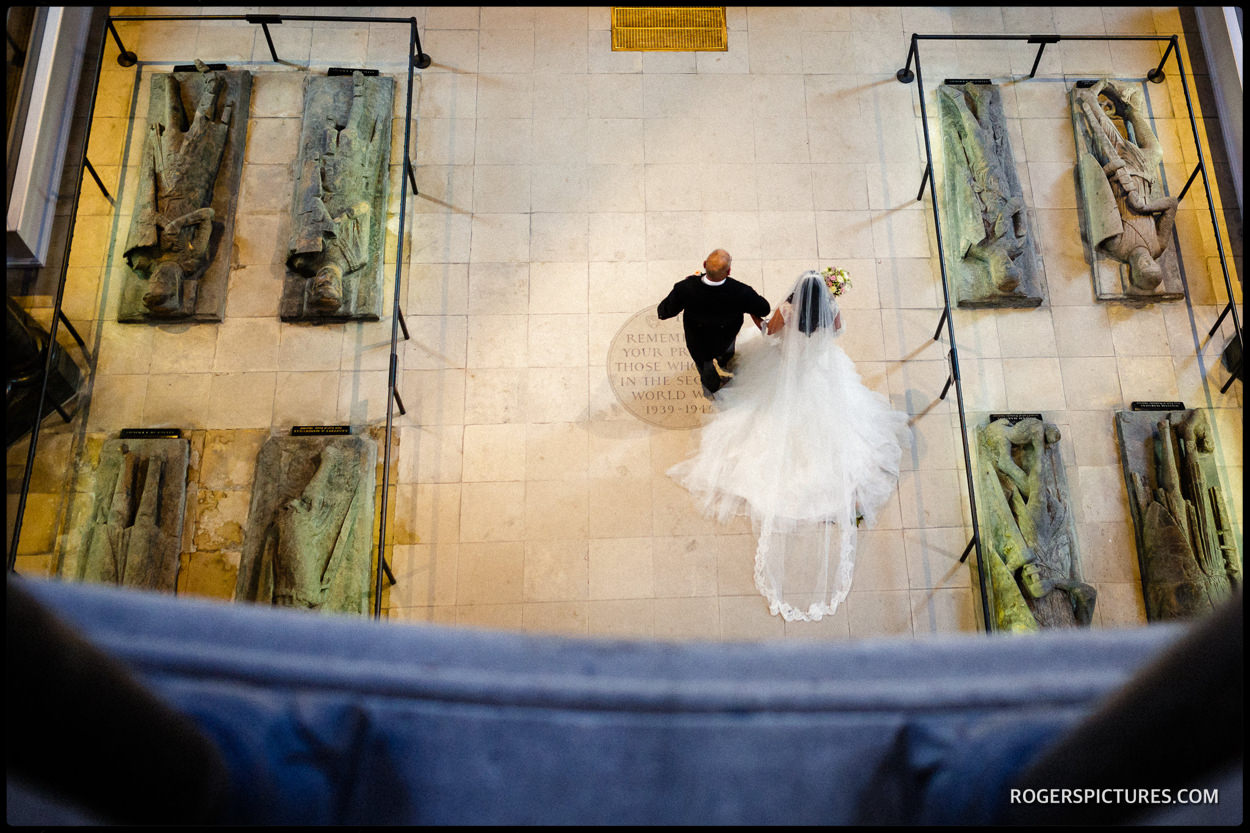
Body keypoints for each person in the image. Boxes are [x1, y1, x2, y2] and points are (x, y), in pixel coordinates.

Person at [668, 270, 910, 622]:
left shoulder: (788, 310)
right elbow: (838, 332)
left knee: (758, 420)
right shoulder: (830, 308)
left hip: (786, 371)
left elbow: (770, 334)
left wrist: (756, 319)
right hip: (820, 372)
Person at [657, 249, 771, 399]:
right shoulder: (741, 292)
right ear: (729, 271)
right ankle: (725, 363)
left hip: (698, 342)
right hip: (726, 337)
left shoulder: (685, 288)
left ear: (704, 265)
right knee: (727, 353)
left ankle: (713, 387)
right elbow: (764, 309)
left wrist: (688, 284)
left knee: (705, 368)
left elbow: (664, 312)